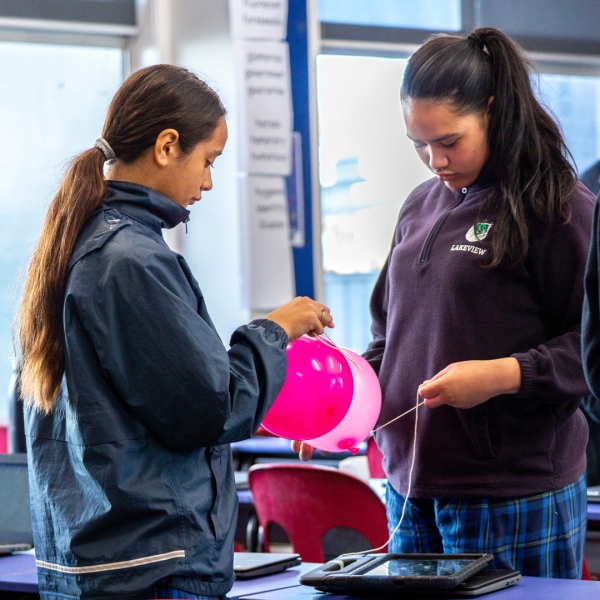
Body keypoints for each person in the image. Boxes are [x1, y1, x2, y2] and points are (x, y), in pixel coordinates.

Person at [17, 64, 333, 600]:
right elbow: (207, 408)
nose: (207, 183)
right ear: (167, 146)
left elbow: (148, 399)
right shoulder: (130, 259)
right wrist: (274, 331)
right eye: (207, 161)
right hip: (153, 565)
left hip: (92, 558)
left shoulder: (79, 244)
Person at [297, 27, 594, 579]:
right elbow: (391, 341)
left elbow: (592, 349)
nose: (434, 160)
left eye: (450, 141)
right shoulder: (419, 206)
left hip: (512, 492)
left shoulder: (560, 208)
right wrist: (339, 409)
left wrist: (504, 375)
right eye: (419, 143)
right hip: (410, 486)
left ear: (494, 111)